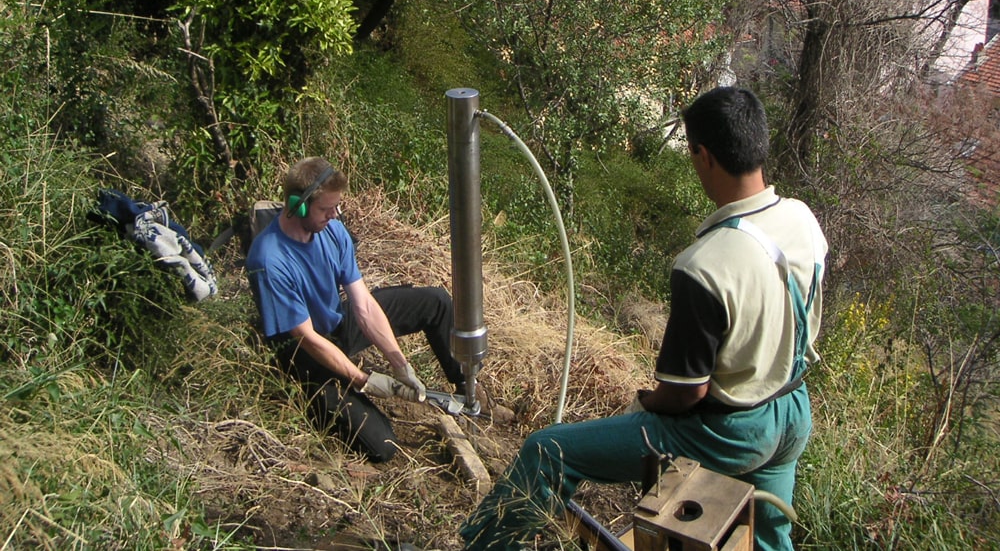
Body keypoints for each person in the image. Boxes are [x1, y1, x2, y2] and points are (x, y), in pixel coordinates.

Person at [459, 87, 828, 551]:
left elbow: (685, 393)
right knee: (770, 534)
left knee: (548, 450)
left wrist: (647, 402)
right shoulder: (803, 220)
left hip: (728, 432)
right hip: (791, 412)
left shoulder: (706, 264)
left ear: (703, 154)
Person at [246, 157, 467, 462]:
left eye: (337, 207)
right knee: (383, 446)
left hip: (337, 325)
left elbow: (362, 304)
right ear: (297, 205)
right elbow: (307, 339)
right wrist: (363, 380)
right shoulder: (269, 260)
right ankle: (315, 400)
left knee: (436, 302)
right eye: (326, 209)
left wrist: (400, 364)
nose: (335, 215)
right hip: (304, 355)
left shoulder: (332, 231)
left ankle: (469, 388)